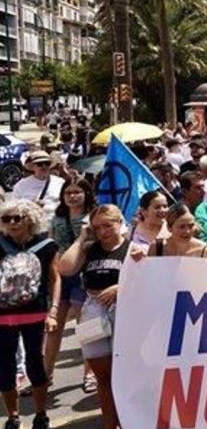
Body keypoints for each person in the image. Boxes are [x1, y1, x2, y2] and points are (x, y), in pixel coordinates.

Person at [58, 205, 129, 429]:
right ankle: (110, 425)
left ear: (120, 222)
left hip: (124, 313)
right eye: (97, 227)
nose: (103, 232)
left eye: (108, 225)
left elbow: (147, 279)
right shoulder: (89, 249)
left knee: (123, 374)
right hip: (92, 311)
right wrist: (81, 238)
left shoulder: (133, 248)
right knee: (103, 376)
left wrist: (120, 287)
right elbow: (65, 267)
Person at [0, 201, 60, 429]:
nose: (12, 223)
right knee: (4, 366)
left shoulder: (46, 246)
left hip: (35, 314)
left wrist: (53, 311)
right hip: (3, 315)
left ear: (31, 219)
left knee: (36, 363)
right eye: (7, 219)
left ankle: (40, 414)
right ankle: (13, 417)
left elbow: (56, 279)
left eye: (18, 218)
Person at [44, 178, 96, 388]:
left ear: (86, 194)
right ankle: (45, 375)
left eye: (77, 192)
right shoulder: (57, 218)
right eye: (68, 193)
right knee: (54, 327)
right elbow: (51, 244)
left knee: (86, 327)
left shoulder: (93, 216)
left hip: (84, 276)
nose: (72, 196)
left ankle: (89, 374)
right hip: (61, 276)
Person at [135, 205, 207, 260]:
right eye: (182, 227)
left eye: (191, 226)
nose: (187, 231)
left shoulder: (205, 252)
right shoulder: (157, 248)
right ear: (169, 228)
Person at [11, 151, 65, 230]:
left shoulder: (60, 182)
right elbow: (13, 209)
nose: (44, 166)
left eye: (47, 163)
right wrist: (32, 207)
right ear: (32, 166)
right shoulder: (21, 185)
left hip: (56, 226)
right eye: (39, 164)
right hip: (32, 227)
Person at [177, 171, 207, 243]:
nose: (204, 191)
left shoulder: (204, 206)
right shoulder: (175, 213)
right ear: (185, 191)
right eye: (198, 188)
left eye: (203, 186)